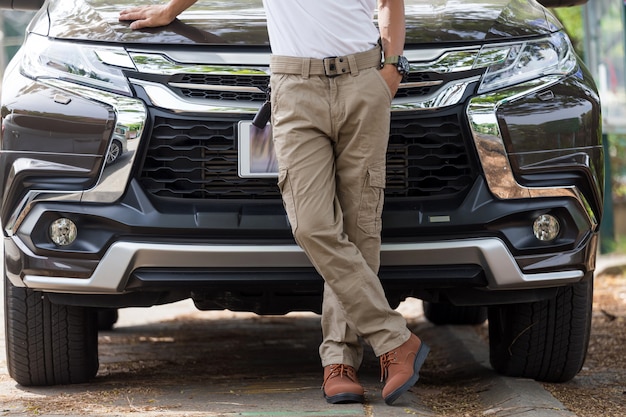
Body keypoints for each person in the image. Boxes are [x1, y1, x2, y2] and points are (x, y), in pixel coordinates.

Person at [119, 0, 429, 406]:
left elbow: (390, 2)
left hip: (363, 80)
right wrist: (168, 9)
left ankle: (340, 362)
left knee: (360, 228)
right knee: (312, 225)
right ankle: (394, 339)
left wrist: (392, 67)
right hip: (296, 87)